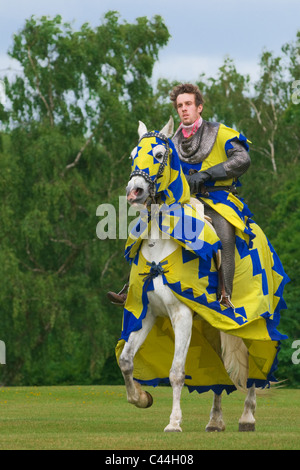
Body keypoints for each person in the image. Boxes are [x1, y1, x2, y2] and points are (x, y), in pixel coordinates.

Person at [107, 83, 251, 307]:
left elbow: (242, 160)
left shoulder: (219, 132)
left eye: (188, 104)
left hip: (218, 200)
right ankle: (132, 288)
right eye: (180, 105)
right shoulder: (170, 142)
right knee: (144, 230)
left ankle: (226, 295)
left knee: (224, 235)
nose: (184, 109)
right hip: (184, 200)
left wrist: (206, 174)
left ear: (199, 107)